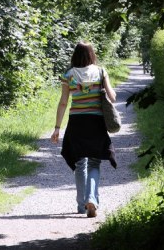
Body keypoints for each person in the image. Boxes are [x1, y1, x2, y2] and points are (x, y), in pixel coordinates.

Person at [50, 41, 117, 218]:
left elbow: (63, 102)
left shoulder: (69, 75)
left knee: (80, 163)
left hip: (76, 123)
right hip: (96, 122)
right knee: (95, 162)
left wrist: (57, 127)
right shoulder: (101, 71)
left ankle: (82, 205)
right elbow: (112, 96)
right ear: (92, 55)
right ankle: (92, 200)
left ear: (75, 55)